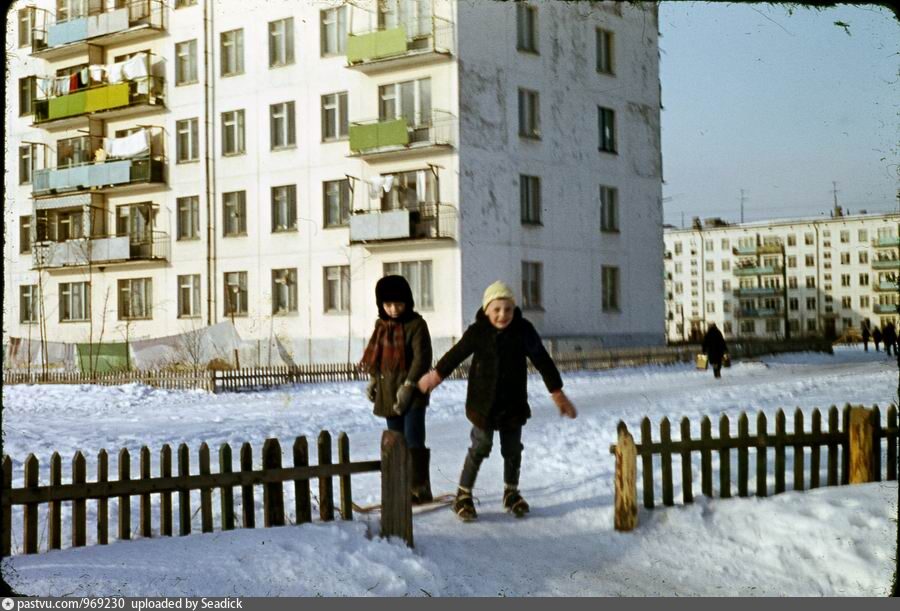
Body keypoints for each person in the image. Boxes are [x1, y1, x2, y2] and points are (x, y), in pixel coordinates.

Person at [417, 281, 577, 522]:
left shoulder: (523, 330)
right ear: (486, 310)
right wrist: (435, 376)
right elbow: (456, 354)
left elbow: (542, 359)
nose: (503, 315)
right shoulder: (478, 331)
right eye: (497, 309)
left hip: (513, 404)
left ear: (514, 309)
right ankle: (463, 495)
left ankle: (511, 493)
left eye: (508, 309)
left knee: (512, 449)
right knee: (480, 447)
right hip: (483, 404)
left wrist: (557, 392)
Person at [361, 275, 434, 504]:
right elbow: (377, 355)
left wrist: (409, 386)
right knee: (395, 441)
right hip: (388, 393)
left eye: (399, 304)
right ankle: (401, 486)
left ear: (408, 302)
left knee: (413, 440)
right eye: (388, 304)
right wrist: (373, 379)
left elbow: (422, 358)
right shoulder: (381, 326)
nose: (393, 309)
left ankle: (419, 488)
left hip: (412, 394)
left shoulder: (416, 325)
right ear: (380, 304)